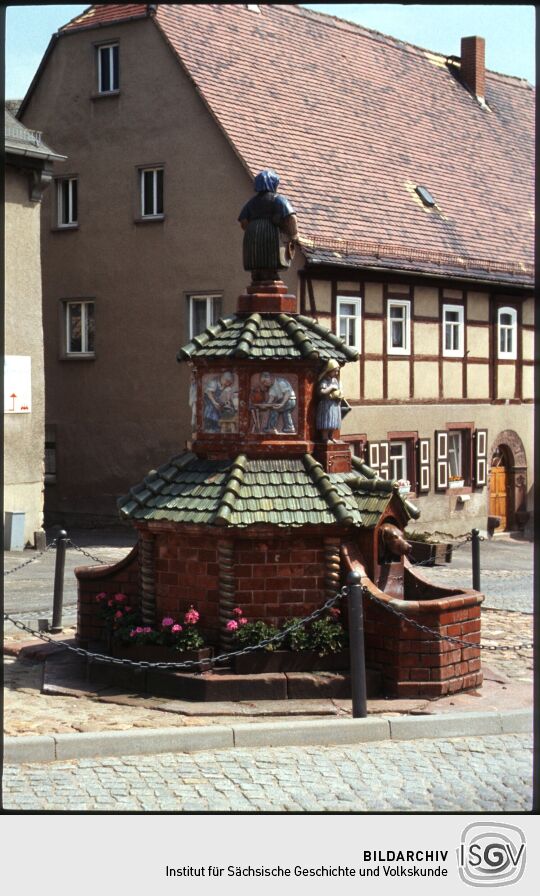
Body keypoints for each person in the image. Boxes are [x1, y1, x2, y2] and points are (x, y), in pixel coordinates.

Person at [238, 169, 299, 282]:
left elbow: (243, 221)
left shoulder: (251, 202)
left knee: (256, 260)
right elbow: (291, 218)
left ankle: (257, 274)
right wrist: (294, 235)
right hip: (271, 236)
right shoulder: (278, 200)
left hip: (253, 237)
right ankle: (271, 274)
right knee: (271, 260)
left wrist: (253, 229)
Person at [316, 359, 344, 442]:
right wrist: (331, 388)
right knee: (327, 420)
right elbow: (321, 392)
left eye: (337, 371)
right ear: (329, 370)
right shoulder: (325, 381)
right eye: (335, 371)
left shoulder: (335, 380)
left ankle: (331, 436)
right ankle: (325, 437)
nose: (336, 373)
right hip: (326, 403)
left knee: (333, 420)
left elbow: (339, 389)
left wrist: (340, 395)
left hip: (335, 404)